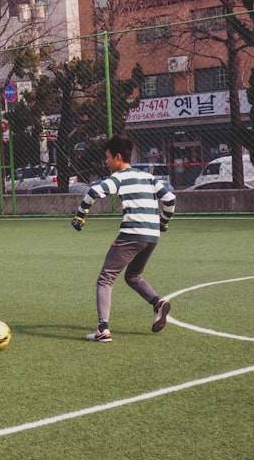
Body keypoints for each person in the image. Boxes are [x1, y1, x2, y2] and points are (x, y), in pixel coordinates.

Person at [71, 134, 176, 343]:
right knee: (133, 276)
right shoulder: (148, 177)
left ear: (118, 157)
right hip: (152, 235)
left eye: (108, 158)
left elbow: (93, 192)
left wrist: (80, 216)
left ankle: (103, 329)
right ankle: (157, 303)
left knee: (106, 278)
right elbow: (170, 199)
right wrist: (163, 222)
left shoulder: (118, 177)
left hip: (132, 233)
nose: (106, 162)